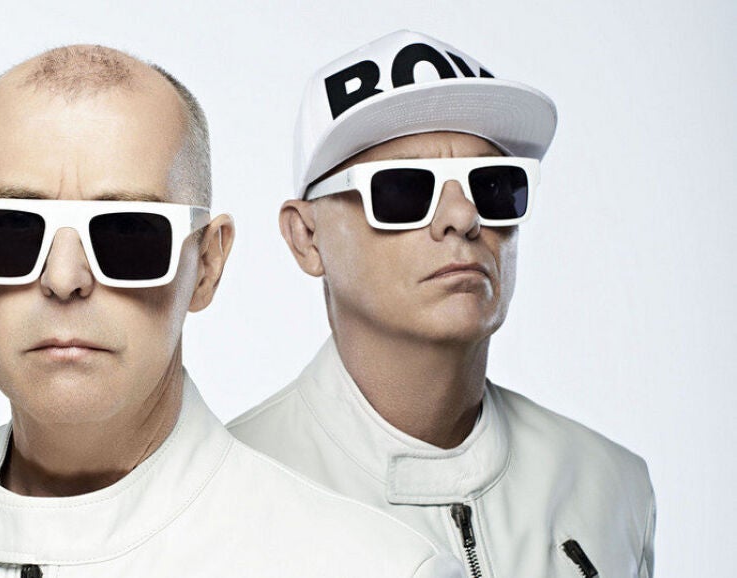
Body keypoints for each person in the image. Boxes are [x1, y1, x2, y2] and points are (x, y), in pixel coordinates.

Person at [0, 45, 464, 578]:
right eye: (12, 229)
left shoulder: (370, 568)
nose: (64, 278)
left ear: (207, 264)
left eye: (129, 233)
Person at [228, 30, 655, 578]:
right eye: (403, 189)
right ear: (307, 237)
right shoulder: (220, 501)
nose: (463, 216)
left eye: (494, 185)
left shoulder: (611, 486)